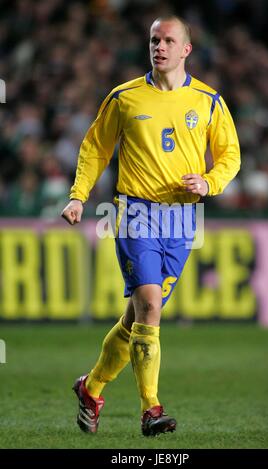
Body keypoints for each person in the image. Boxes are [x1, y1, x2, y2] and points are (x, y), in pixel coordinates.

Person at [61, 15, 240, 437]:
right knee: (151, 307)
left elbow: (230, 155)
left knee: (136, 321)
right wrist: (78, 196)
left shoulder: (208, 101)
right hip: (136, 213)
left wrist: (210, 181)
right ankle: (151, 409)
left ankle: (91, 387)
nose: (159, 46)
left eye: (168, 40)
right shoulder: (125, 97)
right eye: (154, 40)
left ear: (186, 50)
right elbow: (95, 148)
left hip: (182, 219)